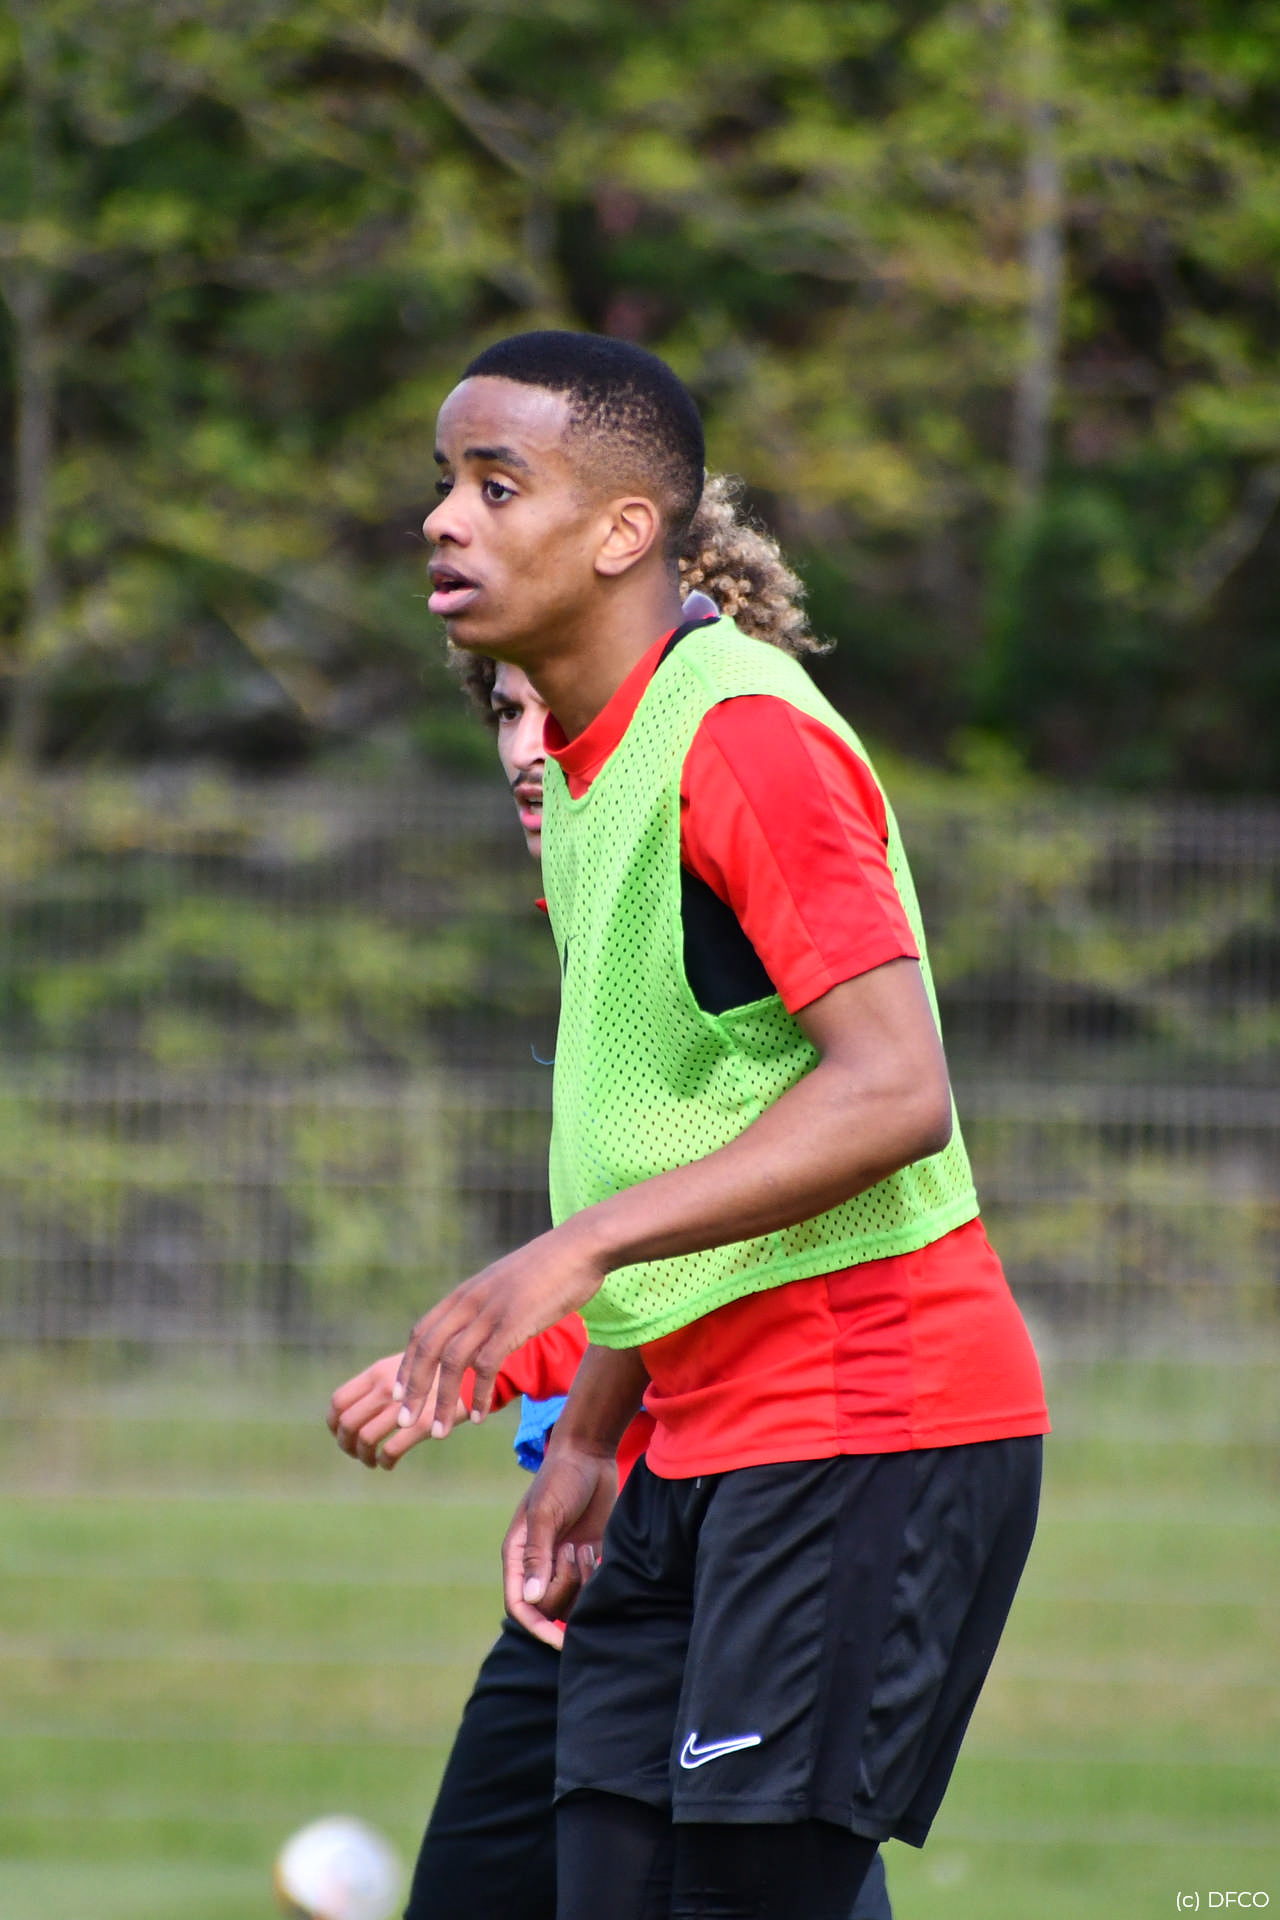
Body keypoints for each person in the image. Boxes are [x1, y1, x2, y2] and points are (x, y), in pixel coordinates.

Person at [378, 329, 1049, 1920]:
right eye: (445, 483)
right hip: (697, 1438)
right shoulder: (581, 770)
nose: (445, 519)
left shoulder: (741, 733)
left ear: (625, 531)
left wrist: (572, 1257)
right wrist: (592, 1431)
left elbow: (894, 1089)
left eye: (496, 485)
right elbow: (698, 1129)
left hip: (868, 1423)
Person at [328, 483, 897, 1920]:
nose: (529, 749)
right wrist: (515, 1377)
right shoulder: (596, 912)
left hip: (739, 1527)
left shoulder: (745, 846)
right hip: (601, 1564)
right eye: (504, 713)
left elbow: (746, 1230)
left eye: (552, 709)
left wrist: (523, 1358)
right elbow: (649, 1243)